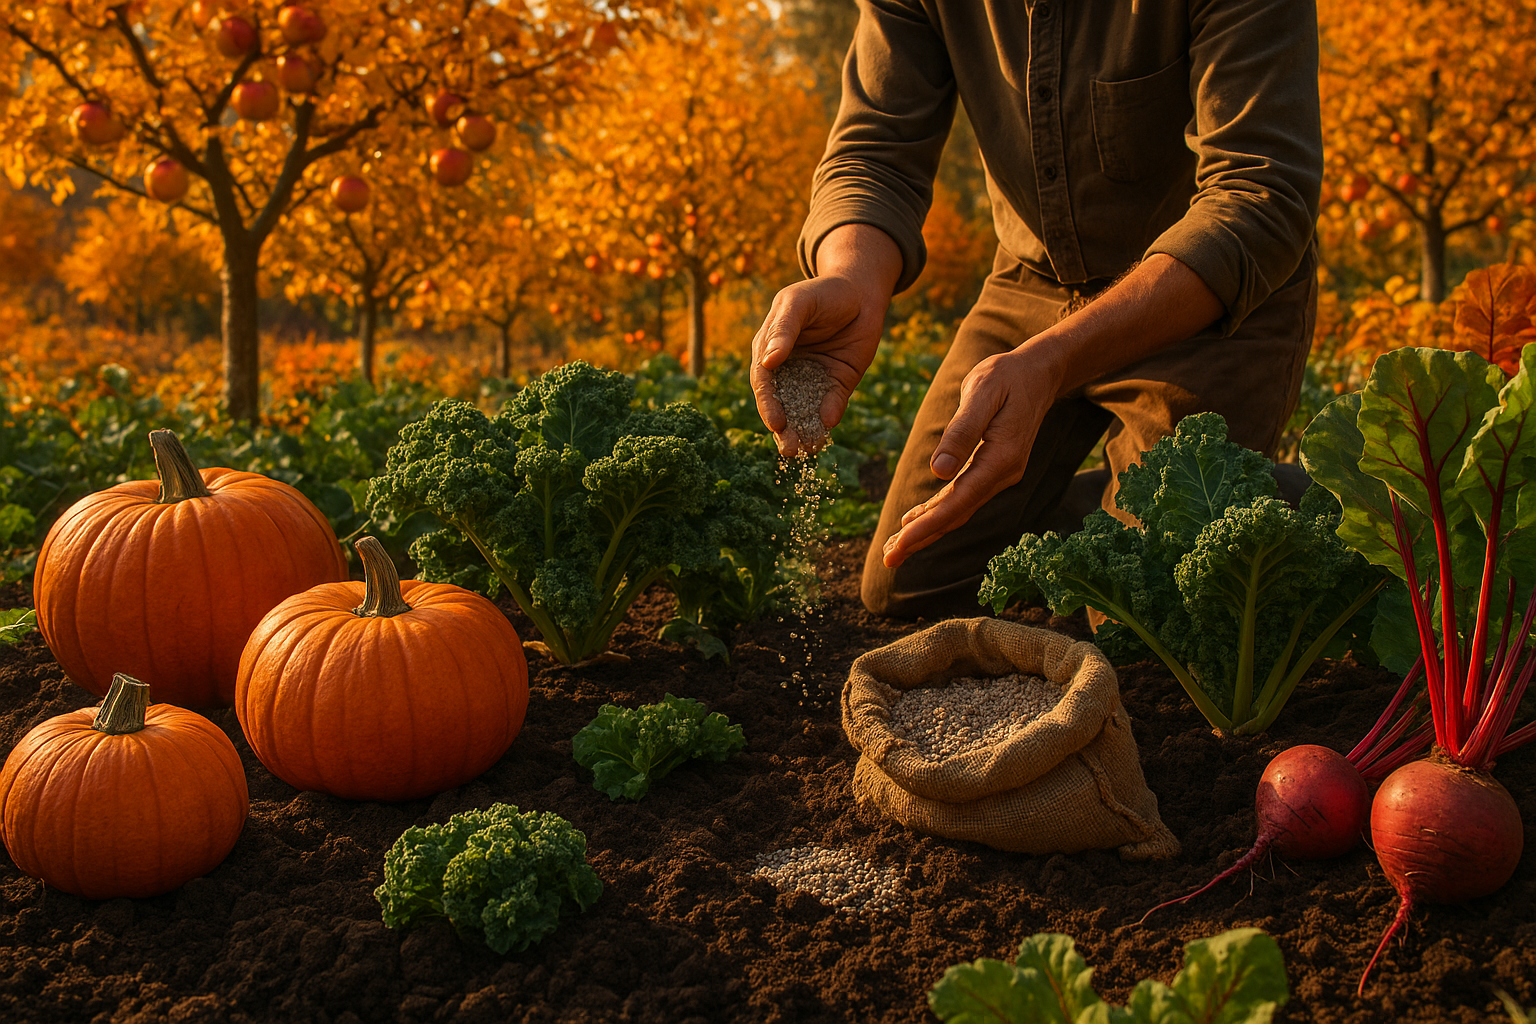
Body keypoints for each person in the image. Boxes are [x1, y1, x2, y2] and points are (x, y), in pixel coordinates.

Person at [750, 0, 1323, 620]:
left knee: (1144, 614)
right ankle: (1122, 507)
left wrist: (1052, 362)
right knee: (910, 576)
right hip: (1033, 281)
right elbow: (875, 151)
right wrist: (851, 277)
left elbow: (1260, 195)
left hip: (1200, 300)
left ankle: (1307, 507)